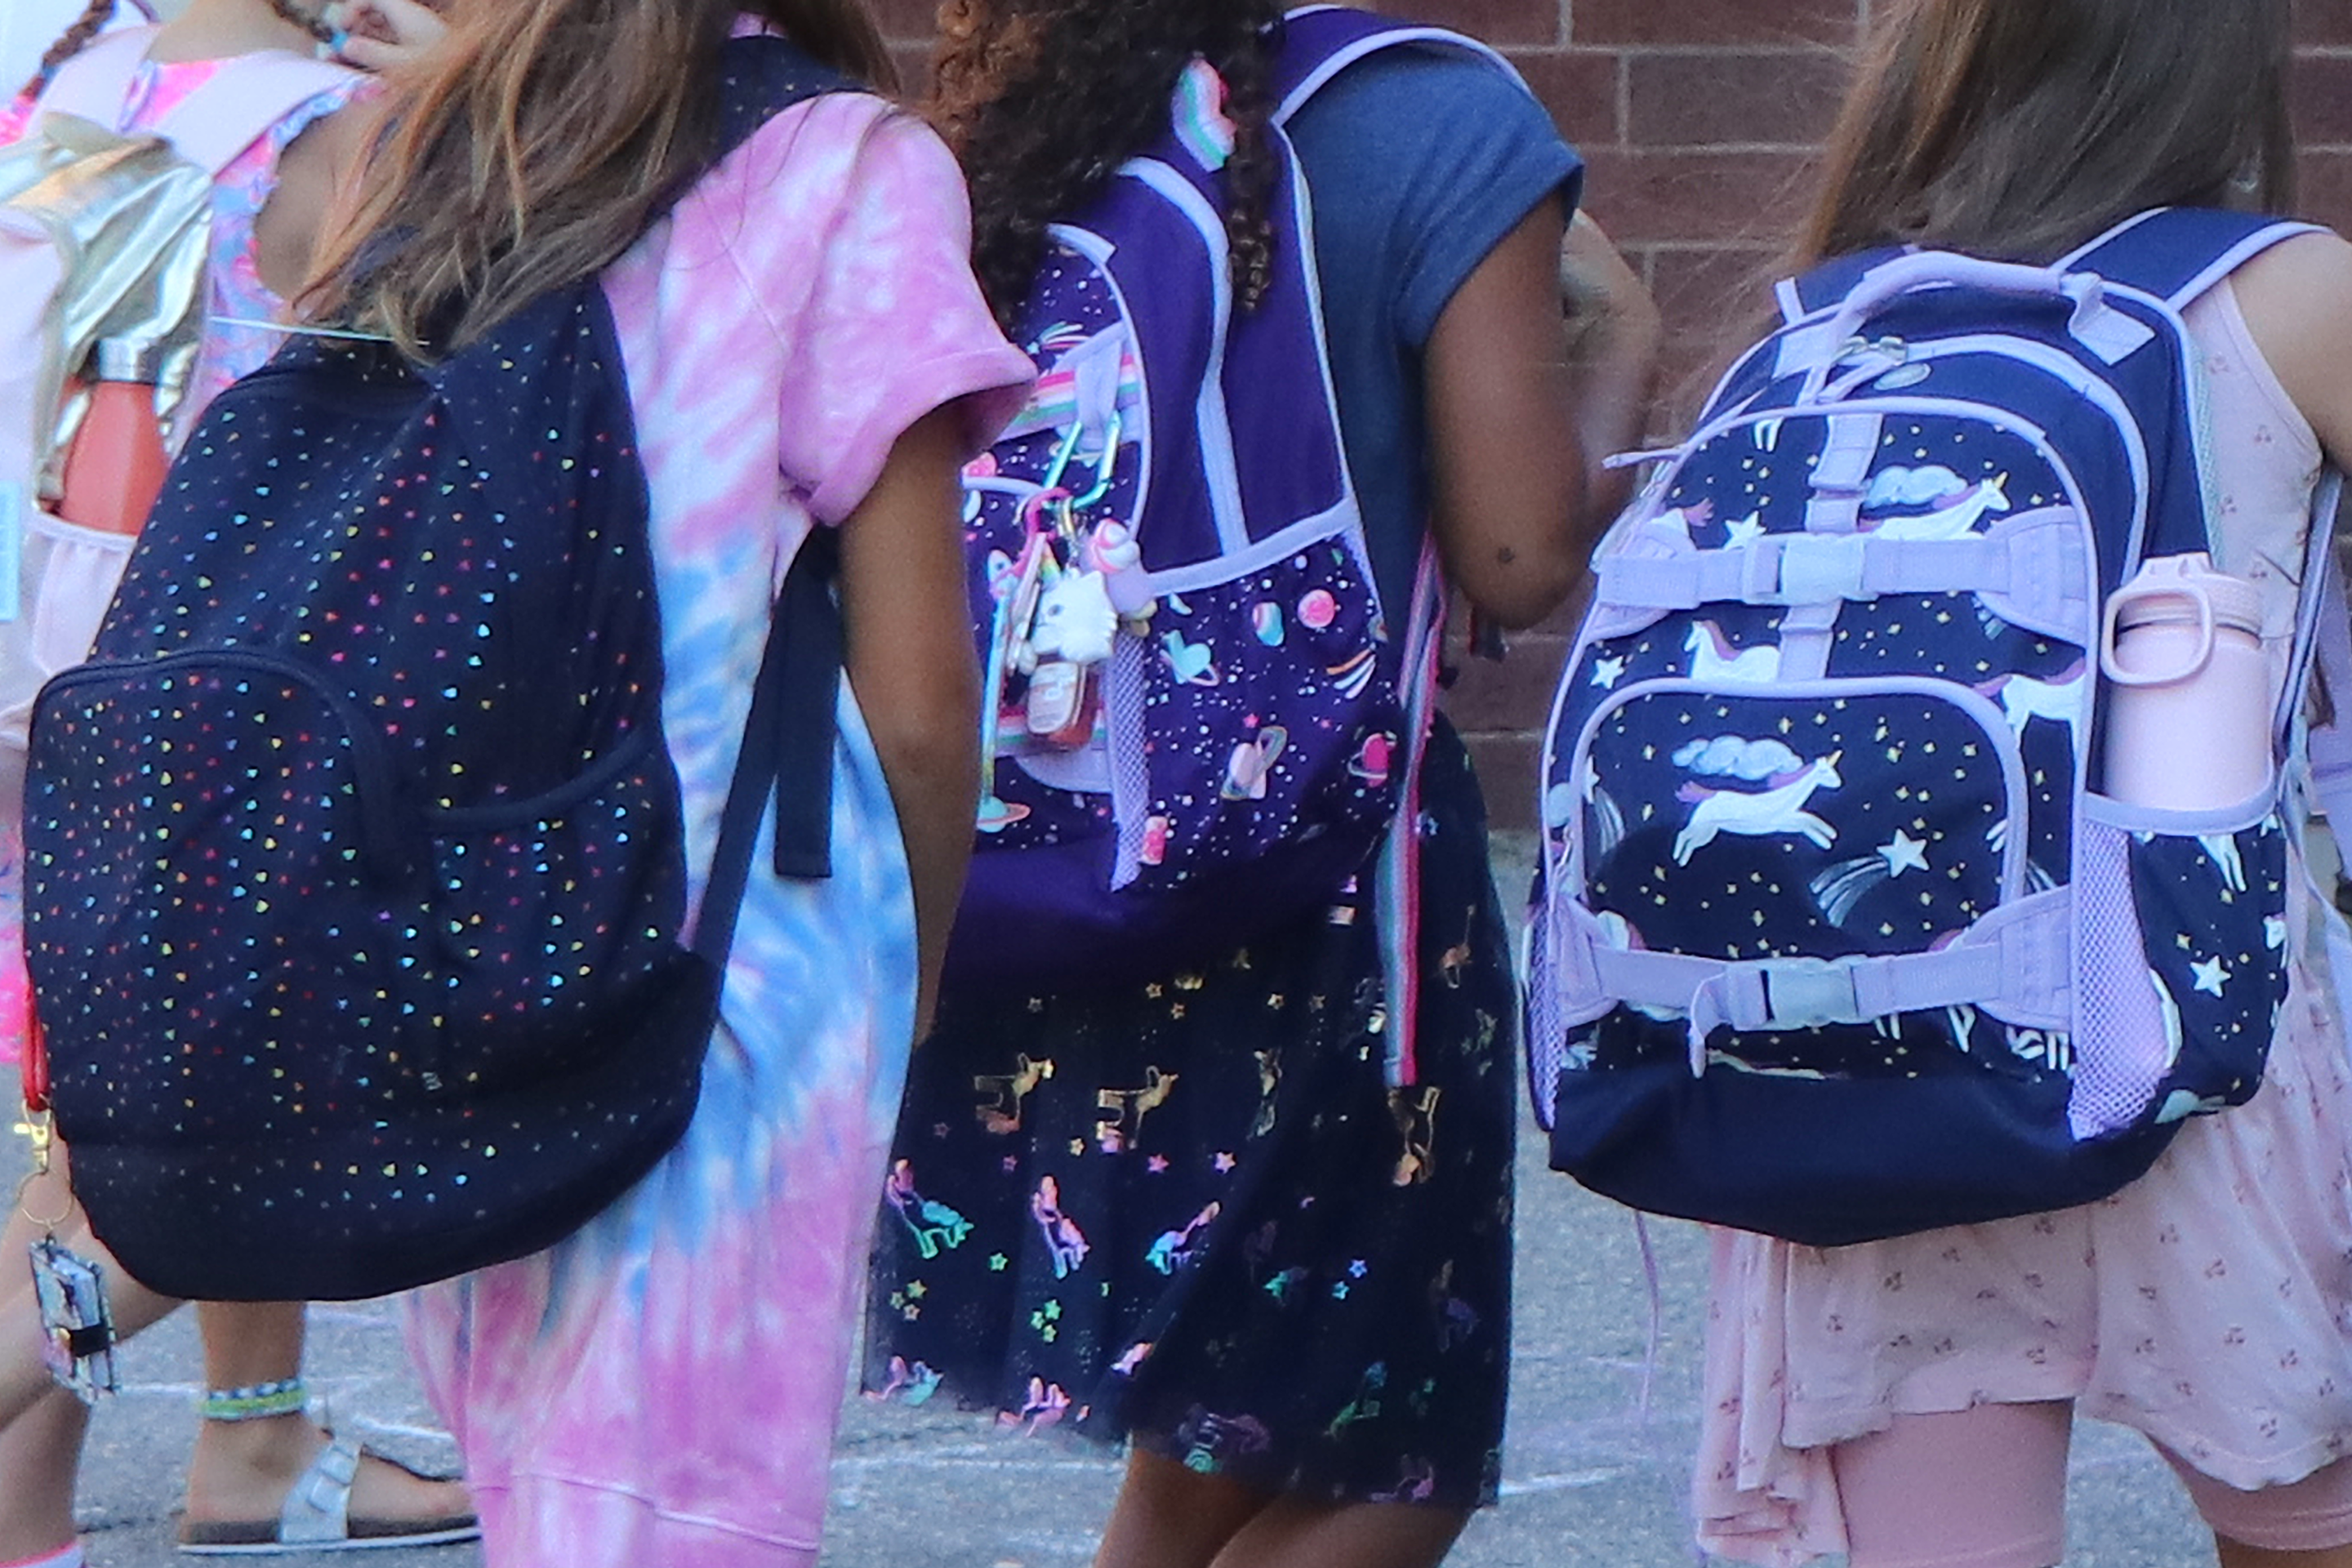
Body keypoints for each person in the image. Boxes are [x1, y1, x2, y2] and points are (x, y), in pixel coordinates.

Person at [862, 5, 1659, 1566]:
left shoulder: (1044, 100)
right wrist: (1625, 349)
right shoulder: (1434, 112)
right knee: (1395, 1463)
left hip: (1066, 826)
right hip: (1330, 885)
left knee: (1210, 1440)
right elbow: (1519, 553)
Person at [291, 0, 1032, 1562]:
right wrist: (919, 990)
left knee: (538, 1479)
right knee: (668, 1511)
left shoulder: (434, 139)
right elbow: (915, 704)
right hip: (735, 946)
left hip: (464, 917)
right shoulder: (849, 164)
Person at [1689, 2, 2352, 1566]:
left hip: (1878, 1055)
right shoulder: (2288, 296)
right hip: (2189, 1041)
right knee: (2308, 1523)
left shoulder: (1820, 328)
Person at [0, 1, 479, 1562]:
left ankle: (137, 1477)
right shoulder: (351, 122)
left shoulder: (69, 72)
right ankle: (231, 1443)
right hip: (228, 665)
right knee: (183, 1101)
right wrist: (459, 91)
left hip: (47, 635)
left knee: (82, 1093)